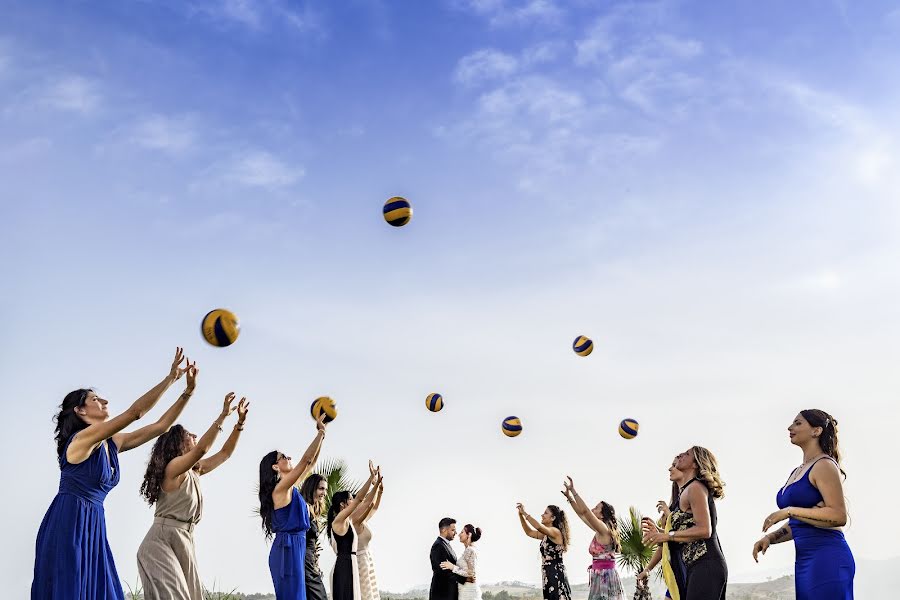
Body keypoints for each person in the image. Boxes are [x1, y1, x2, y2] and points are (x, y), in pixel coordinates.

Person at [32, 348, 195, 600]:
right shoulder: (81, 440)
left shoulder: (111, 443)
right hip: (69, 522)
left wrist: (187, 392)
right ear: (80, 411)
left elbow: (160, 426)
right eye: (95, 400)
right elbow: (135, 413)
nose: (104, 402)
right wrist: (170, 379)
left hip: (94, 523)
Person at [137, 392, 249, 599]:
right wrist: (223, 416)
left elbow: (225, 454)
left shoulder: (194, 471)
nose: (195, 437)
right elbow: (202, 449)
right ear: (178, 443)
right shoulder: (173, 469)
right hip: (161, 539)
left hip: (185, 538)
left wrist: (239, 425)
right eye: (190, 435)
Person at [752, 410, 854, 599]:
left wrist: (788, 511)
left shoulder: (824, 465)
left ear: (816, 431)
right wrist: (771, 538)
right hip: (805, 560)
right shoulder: (797, 471)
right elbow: (802, 520)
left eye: (798, 423)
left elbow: (839, 516)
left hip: (828, 557)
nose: (790, 428)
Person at [641, 447, 727, 600]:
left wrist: (667, 535)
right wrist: (660, 534)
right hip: (694, 566)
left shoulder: (695, 487)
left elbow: (705, 529)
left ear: (695, 464)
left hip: (707, 565)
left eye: (687, 454)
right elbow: (686, 530)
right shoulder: (686, 490)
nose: (680, 455)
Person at [258, 414, 328, 600]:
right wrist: (320, 432)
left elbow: (310, 462)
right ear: (275, 467)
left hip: (296, 547)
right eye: (283, 457)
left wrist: (323, 435)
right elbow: (305, 461)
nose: (289, 457)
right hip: (287, 551)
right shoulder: (280, 489)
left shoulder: (290, 487)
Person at [561, 477, 625, 600]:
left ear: (602, 514)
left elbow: (585, 511)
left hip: (603, 578)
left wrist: (573, 491)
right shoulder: (601, 529)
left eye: (596, 508)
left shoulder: (602, 528)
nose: (592, 510)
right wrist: (569, 498)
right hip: (601, 576)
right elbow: (581, 514)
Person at [327, 463, 379, 600]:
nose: (353, 501)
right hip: (344, 567)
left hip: (350, 564)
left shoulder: (348, 521)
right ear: (342, 505)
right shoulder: (338, 522)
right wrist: (371, 478)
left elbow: (366, 501)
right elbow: (361, 500)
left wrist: (377, 486)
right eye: (350, 499)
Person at [516, 503, 572, 600]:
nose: (542, 515)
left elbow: (539, 527)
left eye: (545, 513)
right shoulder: (547, 534)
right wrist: (520, 515)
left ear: (553, 518)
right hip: (548, 573)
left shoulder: (555, 532)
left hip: (555, 573)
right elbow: (529, 532)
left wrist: (525, 513)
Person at [354, 473, 385, 600]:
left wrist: (380, 491)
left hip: (367, 560)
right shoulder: (353, 519)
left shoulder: (363, 520)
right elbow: (368, 502)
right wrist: (375, 485)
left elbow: (374, 507)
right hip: (359, 563)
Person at [299, 473, 329, 600]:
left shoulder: (313, 509)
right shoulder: (303, 507)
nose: (324, 493)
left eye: (325, 489)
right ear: (312, 488)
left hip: (311, 564)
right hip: (304, 564)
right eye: (321, 488)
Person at [429, 517, 469, 600]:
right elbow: (444, 571)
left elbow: (452, 567)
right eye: (453, 530)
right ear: (444, 530)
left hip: (449, 593)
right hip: (442, 595)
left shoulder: (446, 545)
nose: (456, 533)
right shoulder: (438, 546)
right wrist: (465, 578)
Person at [440, 523, 482, 600]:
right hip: (463, 590)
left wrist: (452, 567)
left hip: (468, 592)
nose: (459, 535)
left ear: (469, 535)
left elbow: (471, 574)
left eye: (462, 532)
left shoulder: (470, 550)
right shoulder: (468, 550)